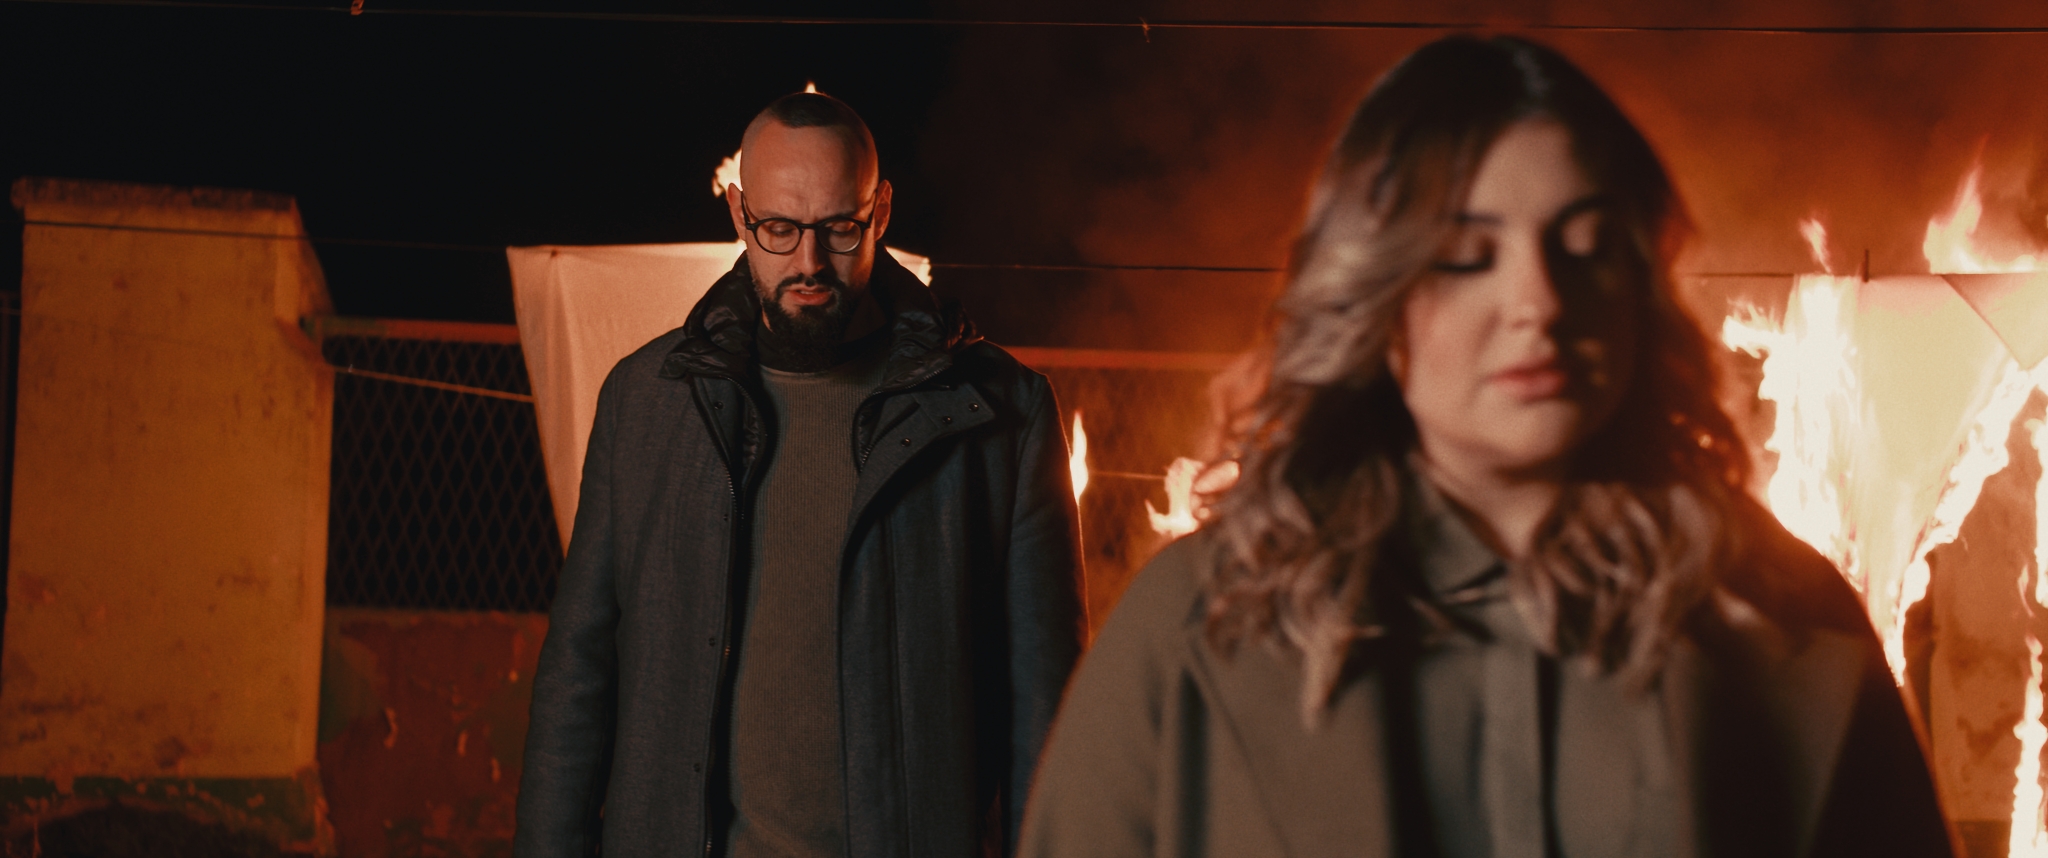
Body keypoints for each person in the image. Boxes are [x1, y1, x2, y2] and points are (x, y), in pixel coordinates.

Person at [1019, 36, 1954, 858]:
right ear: (1374, 294)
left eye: (1585, 246)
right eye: (1467, 256)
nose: (1537, 303)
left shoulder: (1788, 627)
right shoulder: (1196, 633)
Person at [516, 91, 1088, 858]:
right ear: (739, 214)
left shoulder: (1002, 415)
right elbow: (578, 676)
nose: (809, 263)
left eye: (839, 228)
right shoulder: (647, 402)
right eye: (779, 229)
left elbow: (1047, 711)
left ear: (881, 213)